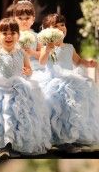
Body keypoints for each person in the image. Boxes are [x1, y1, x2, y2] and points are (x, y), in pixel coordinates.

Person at [0, 18, 51, 158]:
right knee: (1, 117)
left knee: (18, 117)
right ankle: (3, 146)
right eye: (4, 33)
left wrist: (28, 72)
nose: (9, 36)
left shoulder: (22, 53)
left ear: (18, 35)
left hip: (18, 88)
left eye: (12, 33)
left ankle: (16, 144)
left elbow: (29, 69)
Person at [35, 13, 99, 149]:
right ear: (48, 31)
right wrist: (47, 50)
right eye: (55, 26)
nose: (60, 28)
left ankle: (73, 135)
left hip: (70, 79)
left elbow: (77, 61)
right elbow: (42, 62)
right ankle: (61, 139)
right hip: (53, 81)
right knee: (58, 110)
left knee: (72, 109)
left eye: (62, 25)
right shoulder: (47, 47)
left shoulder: (69, 47)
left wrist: (87, 63)